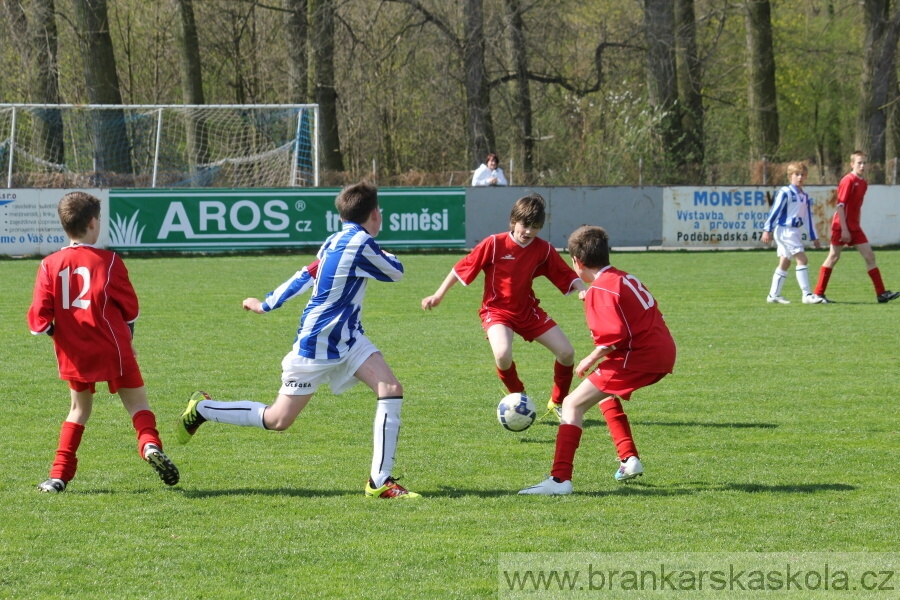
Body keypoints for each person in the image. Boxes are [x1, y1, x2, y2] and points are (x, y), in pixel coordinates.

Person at [175, 181, 420, 499]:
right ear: (375, 214)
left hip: (348, 338)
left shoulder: (334, 240)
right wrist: (382, 250)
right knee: (278, 419)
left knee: (390, 388)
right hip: (318, 342)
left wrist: (266, 304)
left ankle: (380, 481)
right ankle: (203, 409)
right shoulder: (361, 243)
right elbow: (396, 271)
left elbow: (306, 274)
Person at [27, 191, 179, 493]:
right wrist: (127, 337)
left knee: (78, 410)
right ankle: (149, 444)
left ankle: (58, 476)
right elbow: (130, 310)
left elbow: (38, 322)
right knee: (138, 404)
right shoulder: (109, 261)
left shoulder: (49, 264)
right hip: (114, 348)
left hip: (75, 354)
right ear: (93, 223)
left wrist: (61, 335)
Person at [519, 225, 676, 495]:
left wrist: (589, 359)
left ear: (577, 262)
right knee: (602, 392)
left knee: (572, 403)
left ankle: (560, 480)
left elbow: (612, 337)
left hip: (639, 356)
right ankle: (628, 459)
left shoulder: (600, 289)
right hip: (659, 350)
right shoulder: (623, 277)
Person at [421, 193, 584, 418]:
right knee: (502, 355)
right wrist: (438, 295)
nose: (528, 231)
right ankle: (519, 397)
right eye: (525, 225)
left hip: (527, 311)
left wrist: (582, 288)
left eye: (535, 227)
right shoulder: (494, 244)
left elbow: (565, 273)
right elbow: (462, 267)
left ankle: (557, 402)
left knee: (567, 352)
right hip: (496, 311)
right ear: (513, 221)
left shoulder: (543, 249)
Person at [810, 151, 900, 304]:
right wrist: (844, 229)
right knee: (833, 257)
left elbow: (857, 207)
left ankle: (881, 294)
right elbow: (840, 206)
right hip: (842, 226)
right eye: (859, 163)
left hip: (854, 227)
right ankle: (818, 294)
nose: (862, 166)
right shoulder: (848, 180)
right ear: (852, 164)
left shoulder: (863, 183)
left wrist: (856, 225)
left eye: (864, 163)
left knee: (870, 256)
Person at [760, 162, 823, 304]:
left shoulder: (804, 196)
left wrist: (814, 236)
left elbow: (807, 217)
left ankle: (773, 295)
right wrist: (767, 230)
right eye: (797, 174)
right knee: (802, 259)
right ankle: (807, 295)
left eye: (803, 175)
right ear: (790, 176)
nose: (800, 177)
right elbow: (775, 211)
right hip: (785, 230)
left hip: (794, 230)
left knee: (785, 262)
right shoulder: (785, 192)